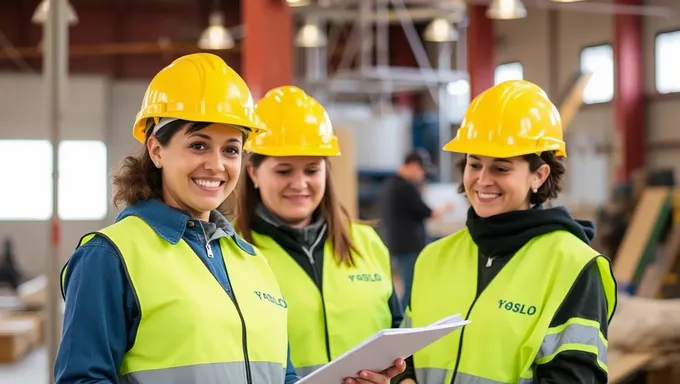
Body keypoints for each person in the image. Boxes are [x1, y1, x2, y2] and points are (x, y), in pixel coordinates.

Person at [54, 53, 299, 384]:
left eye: (231, 149)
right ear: (156, 150)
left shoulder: (252, 261)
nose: (216, 165)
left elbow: (285, 376)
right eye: (198, 145)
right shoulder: (109, 257)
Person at [395, 80, 617, 384]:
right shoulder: (434, 258)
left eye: (501, 168)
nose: (482, 180)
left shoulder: (573, 267)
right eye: (475, 165)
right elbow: (405, 357)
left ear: (538, 175)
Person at [234, 85, 405, 384]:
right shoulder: (232, 252)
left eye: (312, 170)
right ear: (253, 173)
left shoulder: (366, 243)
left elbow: (396, 332)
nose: (299, 184)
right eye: (284, 171)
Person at [379, 149, 452, 308]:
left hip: (398, 245)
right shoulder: (404, 187)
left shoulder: (390, 184)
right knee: (411, 288)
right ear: (412, 165)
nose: (423, 174)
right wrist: (446, 208)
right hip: (408, 247)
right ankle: (404, 325)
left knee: (408, 285)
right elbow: (427, 212)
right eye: (422, 170)